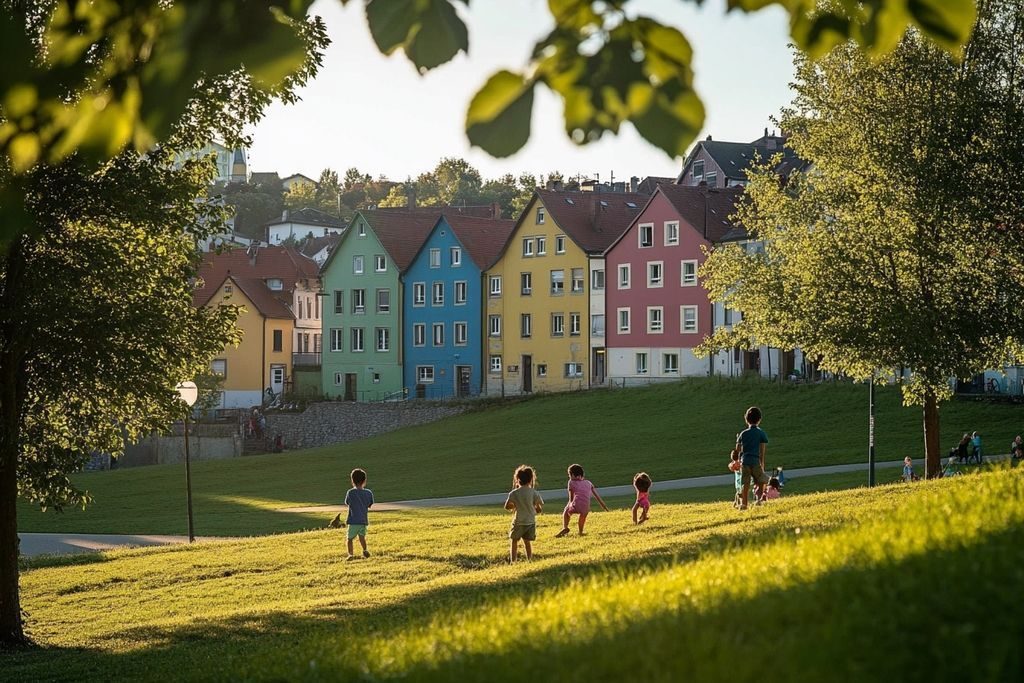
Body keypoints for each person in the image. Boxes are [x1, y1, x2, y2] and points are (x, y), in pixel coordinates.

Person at [555, 464, 608, 537]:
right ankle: (580, 532)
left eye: (569, 475)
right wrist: (604, 506)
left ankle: (565, 527)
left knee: (566, 511)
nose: (569, 477)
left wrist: (569, 506)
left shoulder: (571, 482)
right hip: (586, 506)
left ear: (573, 474)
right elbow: (597, 496)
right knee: (582, 517)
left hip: (576, 505)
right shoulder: (588, 483)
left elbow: (571, 498)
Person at [504, 465, 543, 562]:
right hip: (530, 522)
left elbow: (507, 506)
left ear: (517, 479)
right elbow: (539, 508)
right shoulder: (534, 493)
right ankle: (529, 559)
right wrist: (534, 508)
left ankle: (513, 561)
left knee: (514, 541)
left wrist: (516, 505)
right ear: (531, 479)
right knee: (527, 542)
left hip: (519, 521)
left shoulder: (514, 493)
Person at [737, 406, 770, 510]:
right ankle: (759, 499)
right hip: (755, 461)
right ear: (759, 419)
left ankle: (744, 504)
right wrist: (762, 464)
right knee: (762, 479)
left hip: (745, 462)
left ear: (746, 419)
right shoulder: (761, 433)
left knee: (745, 483)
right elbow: (762, 451)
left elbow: (738, 449)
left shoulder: (743, 433)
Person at [344, 468, 374, 561]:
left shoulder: (350, 493)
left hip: (353, 521)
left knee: (349, 539)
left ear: (352, 481)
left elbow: (347, 502)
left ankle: (350, 555)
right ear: (364, 480)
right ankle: (365, 550)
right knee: (362, 537)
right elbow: (369, 504)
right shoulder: (368, 493)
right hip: (363, 520)